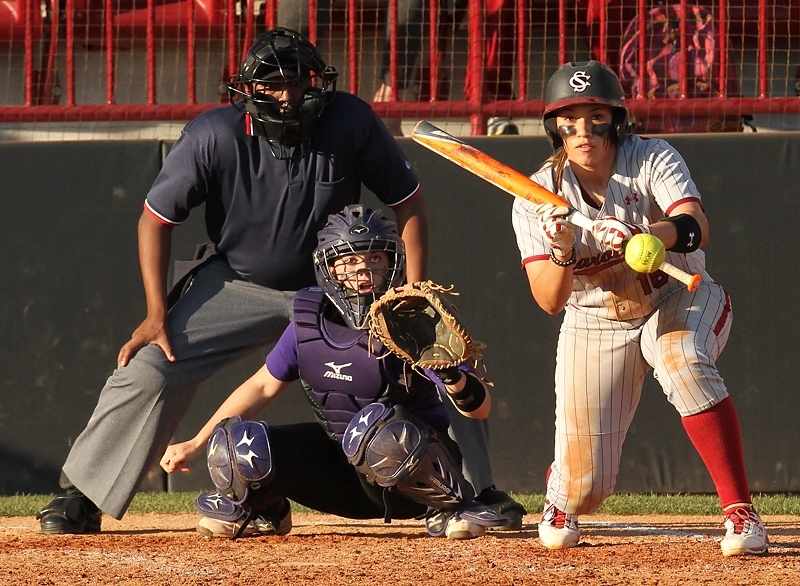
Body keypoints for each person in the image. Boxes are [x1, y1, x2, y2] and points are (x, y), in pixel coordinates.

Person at [35, 27, 430, 534]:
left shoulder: (349, 118)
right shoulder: (214, 133)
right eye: (272, 83)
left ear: (319, 83)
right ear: (247, 89)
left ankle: (469, 489)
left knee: (428, 350)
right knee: (152, 365)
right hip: (237, 281)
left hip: (336, 285)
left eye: (299, 82)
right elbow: (155, 220)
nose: (288, 95)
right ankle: (82, 495)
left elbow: (408, 201)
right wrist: (156, 315)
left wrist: (412, 294)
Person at [510, 60, 769, 556]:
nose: (583, 130)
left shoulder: (650, 157)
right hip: (594, 319)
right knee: (588, 492)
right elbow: (548, 300)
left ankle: (740, 512)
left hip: (678, 295)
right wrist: (562, 247)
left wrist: (646, 234)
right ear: (554, 126)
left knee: (683, 361)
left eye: (595, 116)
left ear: (616, 118)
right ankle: (561, 489)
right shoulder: (536, 195)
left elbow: (695, 224)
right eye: (570, 119)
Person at [159, 204, 508, 539]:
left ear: (393, 263)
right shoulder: (310, 319)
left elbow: (479, 409)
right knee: (236, 444)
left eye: (375, 258)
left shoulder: (411, 318)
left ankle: (452, 508)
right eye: (350, 260)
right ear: (329, 268)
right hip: (343, 476)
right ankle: (264, 510)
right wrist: (196, 442)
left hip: (411, 481)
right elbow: (262, 387)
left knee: (382, 431)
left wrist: (453, 377)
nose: (364, 270)